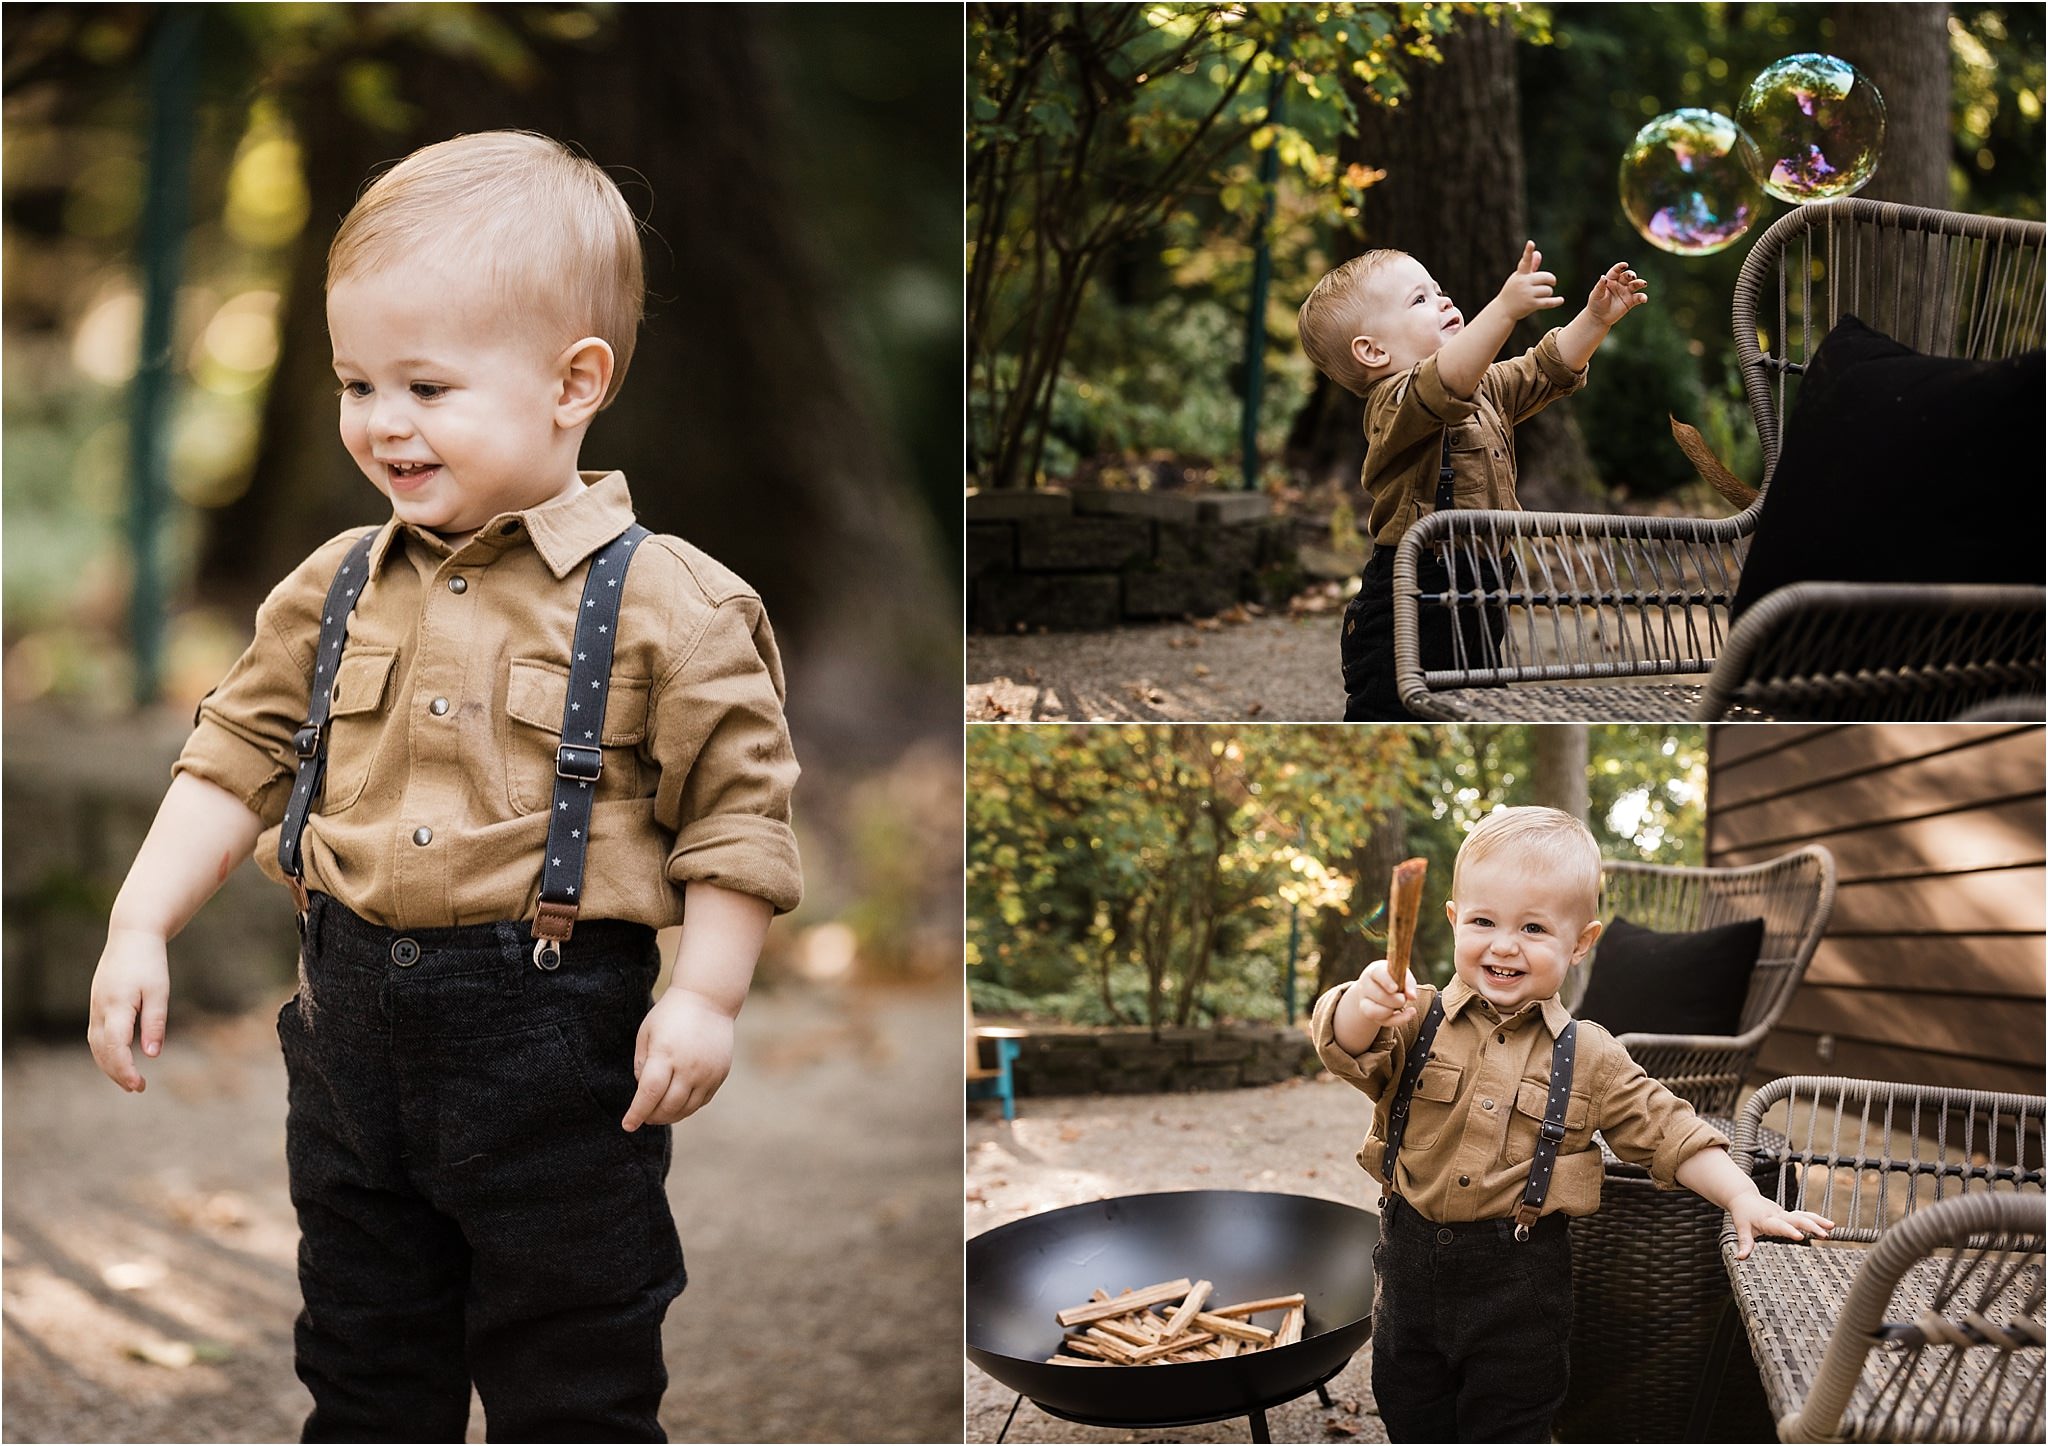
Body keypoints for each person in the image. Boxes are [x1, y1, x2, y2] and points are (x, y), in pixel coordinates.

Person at [84, 130, 802, 1443]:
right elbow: (233, 751)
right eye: (358, 381)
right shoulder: (333, 582)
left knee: (572, 1362)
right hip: (350, 1032)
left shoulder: (670, 603)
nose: (380, 420)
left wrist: (705, 993)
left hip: (555, 1043)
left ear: (573, 381)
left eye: (425, 382)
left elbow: (737, 815)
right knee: (362, 1349)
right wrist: (139, 920)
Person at [1311, 807, 1830, 1443]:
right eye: (1483, 922)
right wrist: (1361, 1006)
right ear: (1453, 920)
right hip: (1409, 1268)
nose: (1503, 944)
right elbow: (1342, 1045)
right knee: (1410, 1408)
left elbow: (1668, 1130)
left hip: (1521, 1287)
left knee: (1513, 1420)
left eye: (1532, 927)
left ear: (1580, 942)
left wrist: (1742, 1194)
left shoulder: (1590, 1054)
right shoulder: (1411, 1018)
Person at [1297, 241, 1649, 719]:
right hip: (1413, 596)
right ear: (1372, 351)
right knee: (1393, 707)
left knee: (1476, 701)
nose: (1444, 301)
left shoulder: (1484, 389)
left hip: (1483, 588)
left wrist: (1595, 319)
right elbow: (1445, 381)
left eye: (1439, 291)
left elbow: (1545, 370)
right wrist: (1504, 308)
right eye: (1419, 300)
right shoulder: (1393, 402)